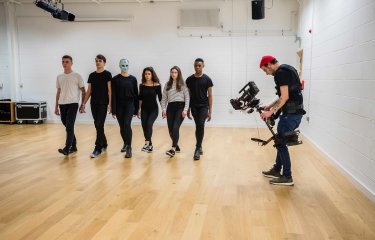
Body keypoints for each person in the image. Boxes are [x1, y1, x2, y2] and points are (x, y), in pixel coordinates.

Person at [259, 55, 306, 186]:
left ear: (269, 64)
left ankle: (287, 176)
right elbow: (284, 95)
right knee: (280, 141)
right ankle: (276, 170)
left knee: (280, 143)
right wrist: (270, 105)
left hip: (290, 115)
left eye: (265, 70)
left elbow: (284, 97)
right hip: (294, 113)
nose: (266, 74)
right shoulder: (288, 69)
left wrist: (270, 112)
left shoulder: (280, 73)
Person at [80, 54, 112, 158]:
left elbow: (109, 91)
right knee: (98, 125)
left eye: (100, 61)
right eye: (96, 61)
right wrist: (83, 103)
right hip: (93, 103)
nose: (98, 62)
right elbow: (89, 91)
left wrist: (110, 104)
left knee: (99, 124)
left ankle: (97, 148)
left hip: (103, 103)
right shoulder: (92, 75)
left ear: (104, 63)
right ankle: (105, 143)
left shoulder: (107, 74)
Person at [55, 55, 86, 155]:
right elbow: (58, 92)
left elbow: (83, 91)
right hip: (62, 104)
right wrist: (56, 106)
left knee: (69, 126)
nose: (64, 64)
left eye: (67, 62)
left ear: (71, 63)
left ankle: (67, 148)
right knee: (67, 125)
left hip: (73, 104)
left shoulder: (77, 76)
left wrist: (82, 104)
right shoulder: (59, 77)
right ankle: (74, 146)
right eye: (63, 62)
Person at [186, 58, 213, 160]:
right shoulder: (189, 80)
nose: (197, 67)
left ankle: (197, 148)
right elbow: (188, 95)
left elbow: (210, 95)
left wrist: (210, 111)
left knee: (200, 124)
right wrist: (187, 108)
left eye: (199, 66)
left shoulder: (207, 79)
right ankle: (199, 146)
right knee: (198, 126)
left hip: (203, 106)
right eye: (196, 65)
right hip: (194, 106)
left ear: (203, 66)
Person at [111, 59, 138, 158]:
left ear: (129, 65)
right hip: (119, 106)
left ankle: (129, 148)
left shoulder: (133, 79)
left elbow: (136, 94)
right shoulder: (115, 79)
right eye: (122, 65)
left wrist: (136, 109)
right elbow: (113, 95)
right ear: (119, 65)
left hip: (129, 105)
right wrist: (113, 110)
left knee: (127, 124)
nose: (124, 67)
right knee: (122, 126)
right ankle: (125, 143)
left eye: (126, 65)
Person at [161, 66, 190, 157]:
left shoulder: (183, 84)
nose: (173, 74)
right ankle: (176, 145)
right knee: (170, 130)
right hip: (170, 107)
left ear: (178, 73)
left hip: (180, 107)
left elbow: (187, 98)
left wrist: (185, 109)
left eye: (175, 72)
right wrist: (164, 109)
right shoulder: (167, 84)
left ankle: (173, 149)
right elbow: (164, 98)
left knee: (175, 127)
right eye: (172, 72)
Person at [138, 67, 162, 153]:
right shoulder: (142, 85)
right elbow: (140, 98)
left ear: (152, 75)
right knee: (144, 126)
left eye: (149, 74)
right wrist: (138, 109)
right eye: (146, 74)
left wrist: (163, 109)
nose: (147, 76)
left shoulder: (157, 85)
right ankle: (150, 145)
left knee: (148, 124)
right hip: (144, 109)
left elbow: (160, 99)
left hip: (154, 109)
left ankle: (146, 144)